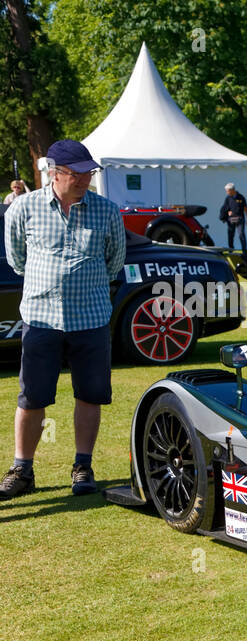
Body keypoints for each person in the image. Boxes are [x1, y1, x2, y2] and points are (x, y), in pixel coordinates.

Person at [1, 140, 126, 501]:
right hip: (40, 318)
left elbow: (114, 261)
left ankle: (82, 466)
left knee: (90, 395)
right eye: (77, 173)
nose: (85, 178)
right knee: (32, 397)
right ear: (53, 173)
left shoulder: (106, 211)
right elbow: (17, 260)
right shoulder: (24, 208)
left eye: (89, 172)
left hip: (91, 319)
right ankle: (22, 469)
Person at [218, 183, 247, 254]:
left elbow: (246, 208)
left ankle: (245, 251)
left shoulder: (241, 197)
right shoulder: (228, 198)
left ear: (232, 190)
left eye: (227, 191)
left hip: (240, 219)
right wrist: (227, 213)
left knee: (241, 234)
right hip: (231, 219)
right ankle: (231, 250)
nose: (227, 192)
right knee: (230, 235)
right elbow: (224, 208)